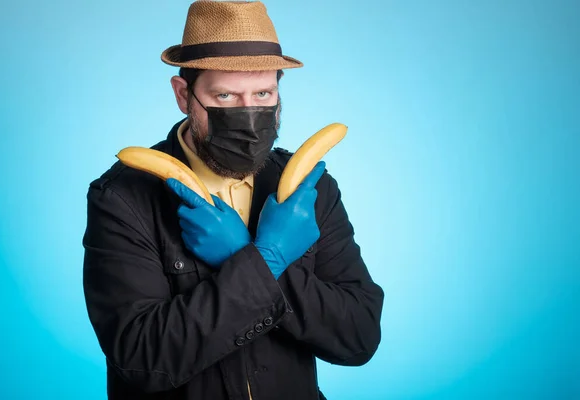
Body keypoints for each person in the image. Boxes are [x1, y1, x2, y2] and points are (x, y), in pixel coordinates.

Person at [82, 1, 385, 399]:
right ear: (182, 95)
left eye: (263, 93)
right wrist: (267, 260)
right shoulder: (123, 198)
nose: (249, 114)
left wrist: (246, 255)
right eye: (225, 96)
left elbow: (358, 337)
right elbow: (142, 358)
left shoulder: (311, 189)